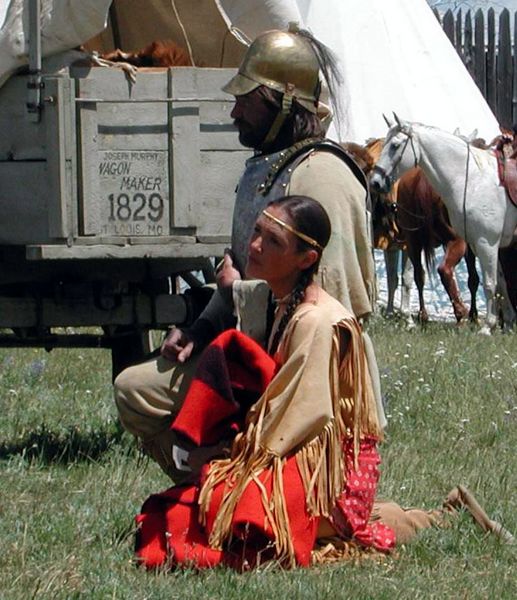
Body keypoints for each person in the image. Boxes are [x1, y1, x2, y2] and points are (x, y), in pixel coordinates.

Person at [134, 197, 507, 571]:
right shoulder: (283, 300)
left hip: (333, 473)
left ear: (306, 259)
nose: (254, 246)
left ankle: (432, 518)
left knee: (231, 513)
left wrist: (223, 458)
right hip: (301, 456)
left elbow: (292, 424)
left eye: (273, 241)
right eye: (257, 233)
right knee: (204, 506)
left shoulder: (317, 321)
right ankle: (391, 517)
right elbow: (247, 305)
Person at [114, 25, 383, 483]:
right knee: (137, 390)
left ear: (283, 101)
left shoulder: (321, 177)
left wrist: (236, 293)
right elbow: (244, 274)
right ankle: (216, 488)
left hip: (303, 379)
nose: (235, 110)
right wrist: (201, 329)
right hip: (250, 350)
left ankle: (246, 491)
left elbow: (324, 318)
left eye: (248, 99)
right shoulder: (270, 168)